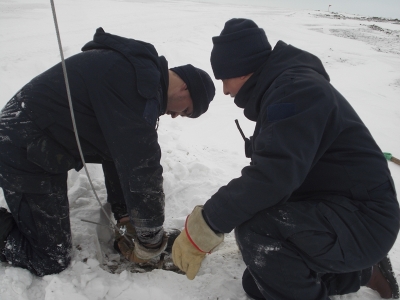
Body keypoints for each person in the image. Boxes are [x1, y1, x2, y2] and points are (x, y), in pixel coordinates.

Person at [172, 18, 400, 299]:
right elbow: (275, 177)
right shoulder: (285, 90)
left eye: (224, 79)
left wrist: (207, 222)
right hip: (342, 209)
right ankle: (363, 272)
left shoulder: (296, 92)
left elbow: (271, 178)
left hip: (364, 219)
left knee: (258, 234)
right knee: (260, 281)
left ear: (242, 69)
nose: (225, 90)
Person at [0, 27, 215, 276]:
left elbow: (118, 151)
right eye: (185, 111)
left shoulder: (138, 74)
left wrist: (125, 216)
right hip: (23, 148)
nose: (176, 115)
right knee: (49, 259)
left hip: (39, 141)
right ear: (185, 88)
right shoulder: (138, 88)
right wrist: (150, 240)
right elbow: (141, 168)